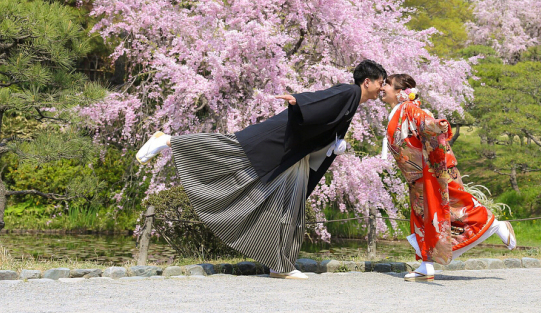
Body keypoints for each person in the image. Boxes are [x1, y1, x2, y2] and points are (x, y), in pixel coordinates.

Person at [135, 60, 387, 279]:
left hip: (295, 152)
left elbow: (325, 118)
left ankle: (280, 264)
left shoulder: (352, 99)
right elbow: (323, 97)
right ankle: (168, 140)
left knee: (289, 201)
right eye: (380, 82)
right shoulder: (350, 92)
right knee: (230, 150)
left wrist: (334, 142)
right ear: (367, 81)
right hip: (280, 140)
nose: (381, 88)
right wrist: (300, 100)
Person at [380, 73, 516, 282]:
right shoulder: (399, 111)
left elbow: (425, 123)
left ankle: (495, 225)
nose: (383, 88)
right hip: (418, 177)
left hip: (431, 173)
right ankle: (426, 265)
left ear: (399, 92)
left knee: (453, 206)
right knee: (423, 219)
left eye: (387, 85)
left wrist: (438, 125)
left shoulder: (408, 108)